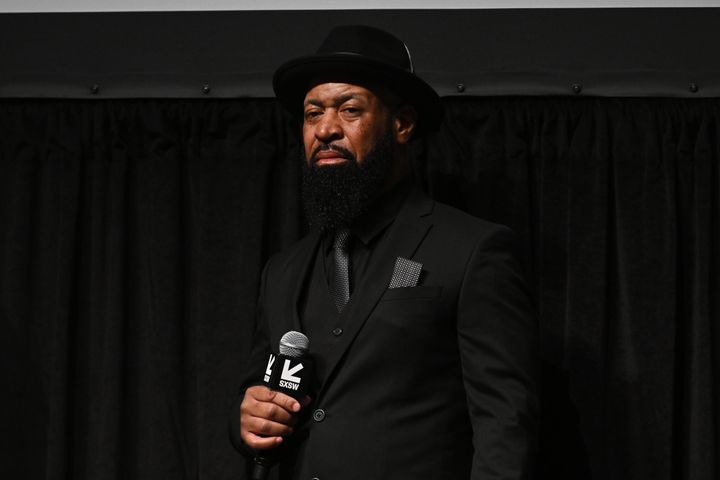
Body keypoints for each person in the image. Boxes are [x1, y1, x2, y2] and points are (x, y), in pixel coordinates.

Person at [231, 25, 539, 480]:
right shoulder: (283, 270)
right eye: (312, 113)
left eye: (349, 109)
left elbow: (505, 426)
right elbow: (262, 392)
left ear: (402, 124)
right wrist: (250, 424)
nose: (326, 129)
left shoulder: (473, 250)